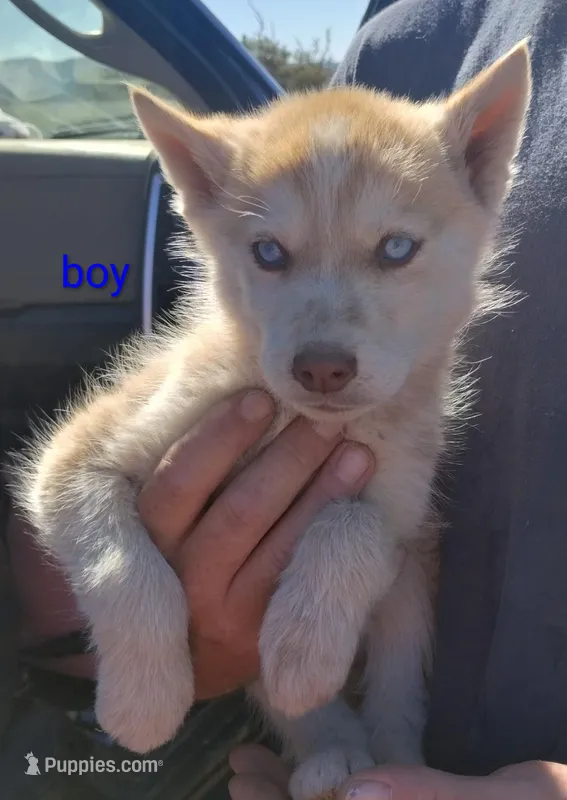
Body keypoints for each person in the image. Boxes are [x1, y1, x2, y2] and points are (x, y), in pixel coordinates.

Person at [2, 0, 567, 797]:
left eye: (392, 249)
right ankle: (330, 741)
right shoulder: (399, 35)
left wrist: (338, 569)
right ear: (203, 197)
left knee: (391, 551)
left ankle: (386, 747)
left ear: (480, 171)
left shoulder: (415, 395)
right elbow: (72, 474)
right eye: (271, 253)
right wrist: (142, 629)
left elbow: (386, 534)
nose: (322, 347)